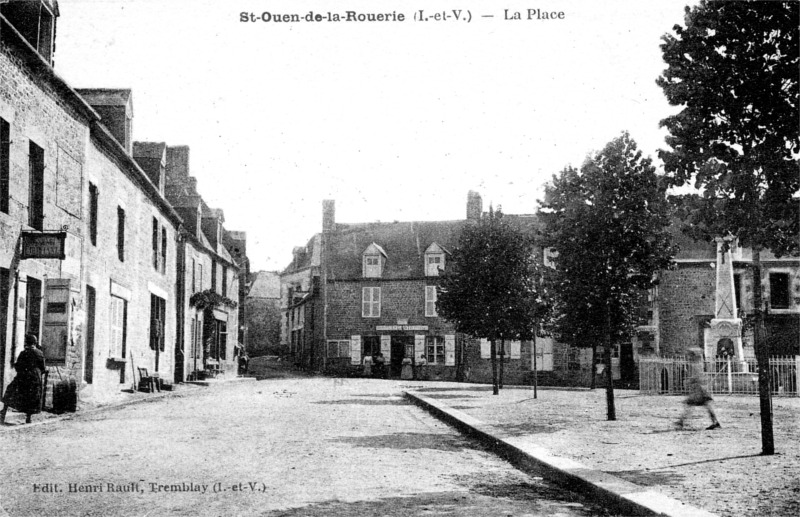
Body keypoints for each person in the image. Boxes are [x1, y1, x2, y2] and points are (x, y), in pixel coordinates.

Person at [1, 334, 46, 424]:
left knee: (10, 390)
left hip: (24, 376)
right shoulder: (40, 353)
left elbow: (18, 366)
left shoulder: (24, 353)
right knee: (31, 397)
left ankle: (3, 413)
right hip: (35, 378)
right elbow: (43, 368)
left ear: (27, 343)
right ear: (35, 343)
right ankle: (28, 417)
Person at [676, 353, 720, 430]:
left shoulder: (696, 365)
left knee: (691, 404)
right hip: (699, 388)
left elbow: (697, 377)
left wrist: (689, 381)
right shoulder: (699, 364)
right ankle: (715, 422)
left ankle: (681, 422)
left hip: (699, 389)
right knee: (703, 405)